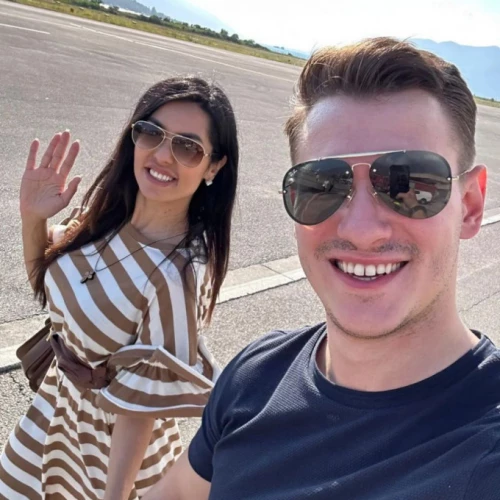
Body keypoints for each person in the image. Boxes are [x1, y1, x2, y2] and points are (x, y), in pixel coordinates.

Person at [144, 38, 500, 500]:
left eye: (409, 183)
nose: (362, 229)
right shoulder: (256, 376)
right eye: (322, 184)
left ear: (469, 205)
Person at [0, 76, 239, 499]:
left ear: (214, 167)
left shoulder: (177, 275)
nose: (162, 155)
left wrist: (115, 494)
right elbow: (48, 287)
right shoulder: (105, 215)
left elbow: (140, 409)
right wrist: (32, 218)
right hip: (51, 413)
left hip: (108, 453)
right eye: (151, 133)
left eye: (187, 147)